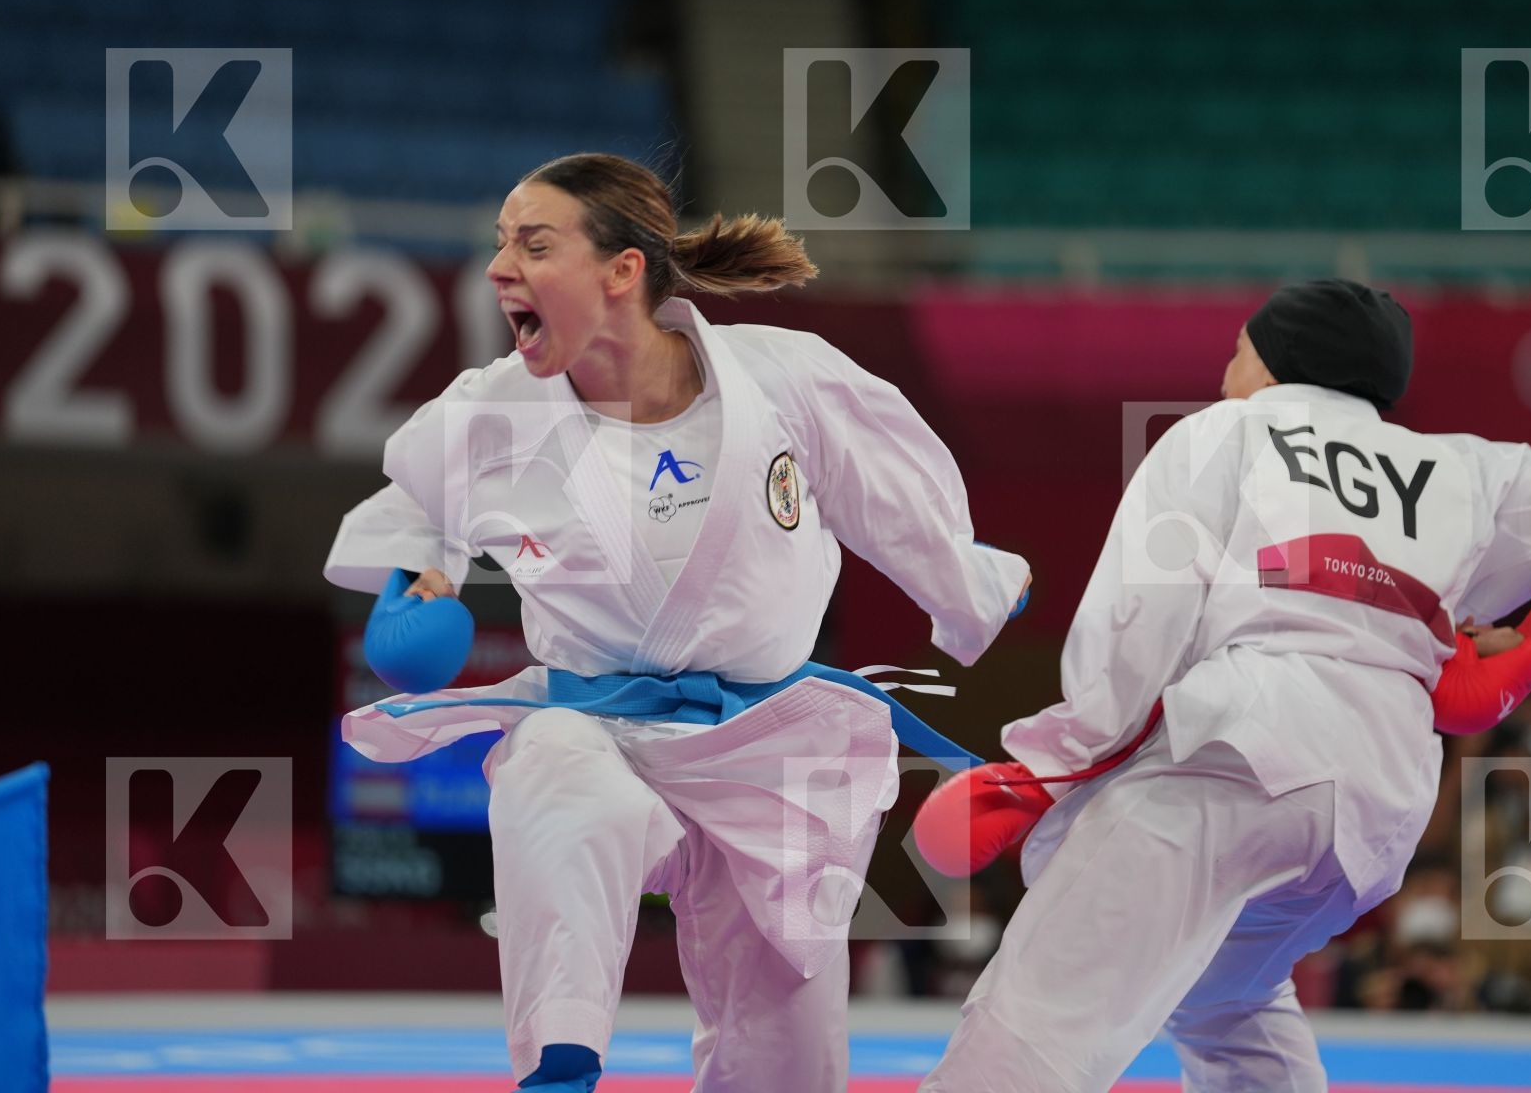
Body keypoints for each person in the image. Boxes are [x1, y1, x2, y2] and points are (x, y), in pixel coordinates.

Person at [322, 153, 1030, 1092]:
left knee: (787, 1062)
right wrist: (426, 573)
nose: (500, 270)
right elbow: (417, 501)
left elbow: (895, 505)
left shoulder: (787, 382)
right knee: (556, 773)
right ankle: (561, 1063)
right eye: (500, 246)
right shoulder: (490, 415)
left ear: (623, 270)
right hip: (598, 728)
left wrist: (972, 586)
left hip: (767, 745)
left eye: (534, 245)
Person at [913, 279, 1531, 1092]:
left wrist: (1045, 768)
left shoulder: (1225, 432)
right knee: (1223, 999)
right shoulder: (1460, 469)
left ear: (1280, 365)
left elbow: (1138, 624)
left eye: (1238, 352)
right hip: (1378, 806)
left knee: (1043, 1008)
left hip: (1246, 754)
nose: (1224, 371)